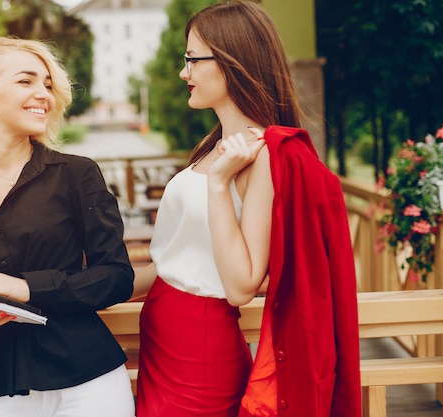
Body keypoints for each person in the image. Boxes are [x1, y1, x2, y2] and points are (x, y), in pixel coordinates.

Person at [131, 2, 361, 417]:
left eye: (192, 59)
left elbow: (242, 285)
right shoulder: (213, 144)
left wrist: (220, 185)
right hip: (162, 336)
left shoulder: (269, 156)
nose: (184, 73)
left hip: (198, 350)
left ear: (231, 61)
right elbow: (176, 261)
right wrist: (78, 289)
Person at [0, 36, 136, 417]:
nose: (43, 94)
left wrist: (25, 287)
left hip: (86, 381)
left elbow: (117, 277)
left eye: (47, 84)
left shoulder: (76, 175)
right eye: (26, 81)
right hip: (2, 386)